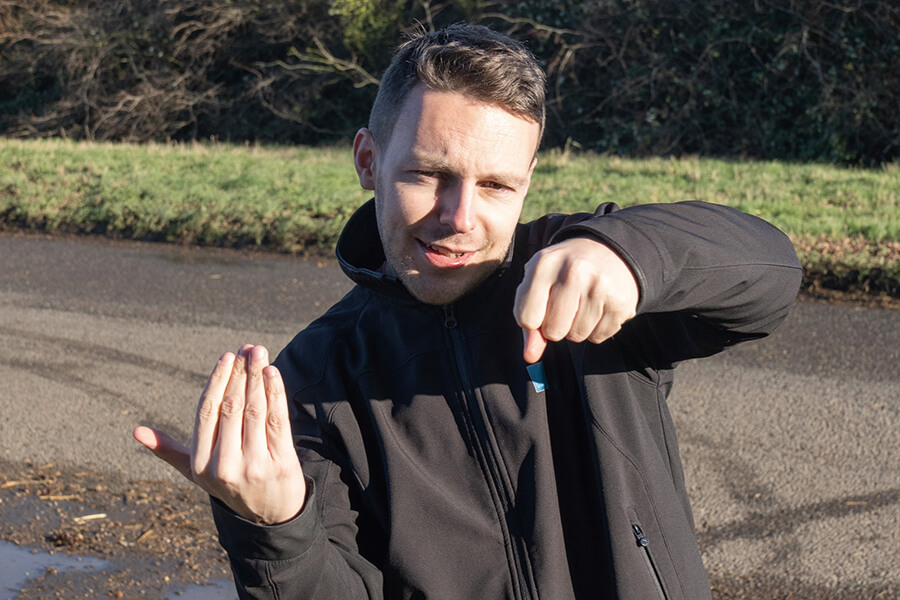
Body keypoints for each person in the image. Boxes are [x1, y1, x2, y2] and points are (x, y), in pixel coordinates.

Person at [133, 23, 802, 600]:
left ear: (527, 181)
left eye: (496, 185)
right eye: (428, 175)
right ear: (368, 161)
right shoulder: (314, 382)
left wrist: (632, 256)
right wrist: (276, 528)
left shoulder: (584, 273)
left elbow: (772, 276)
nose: (460, 218)